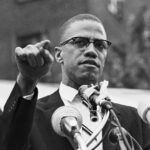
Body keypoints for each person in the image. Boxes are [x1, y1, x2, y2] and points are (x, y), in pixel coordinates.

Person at [1, 13, 150, 150]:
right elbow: (7, 144)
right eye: (80, 42)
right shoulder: (30, 115)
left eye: (100, 45)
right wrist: (27, 80)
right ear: (59, 55)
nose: (92, 51)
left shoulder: (135, 120)